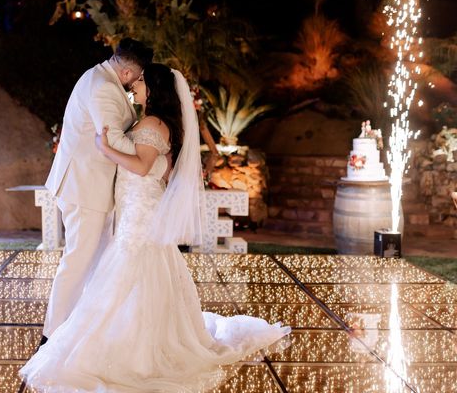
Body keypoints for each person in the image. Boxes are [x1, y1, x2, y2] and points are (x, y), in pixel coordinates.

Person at [19, 64, 290, 391]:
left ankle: (137, 347)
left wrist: (106, 149)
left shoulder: (152, 124)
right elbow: (160, 168)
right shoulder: (153, 123)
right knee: (141, 267)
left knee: (131, 266)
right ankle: (139, 335)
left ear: (156, 89)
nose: (137, 85)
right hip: (138, 204)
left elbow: (143, 164)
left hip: (140, 210)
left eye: (143, 81)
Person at [40, 38, 154, 347]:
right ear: (129, 72)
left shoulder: (100, 77)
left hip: (91, 187)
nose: (139, 82)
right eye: (140, 76)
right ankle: (51, 335)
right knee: (78, 260)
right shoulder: (103, 87)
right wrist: (149, 152)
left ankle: (84, 327)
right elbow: (112, 139)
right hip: (84, 188)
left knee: (96, 260)